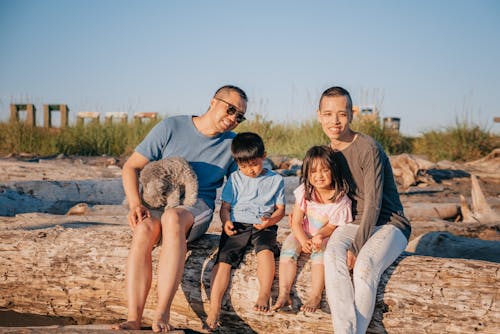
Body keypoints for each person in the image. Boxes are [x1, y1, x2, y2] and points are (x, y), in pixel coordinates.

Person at [112, 85, 248, 332]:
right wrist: (135, 204)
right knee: (143, 230)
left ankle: (162, 313)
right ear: (213, 101)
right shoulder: (171, 127)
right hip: (159, 201)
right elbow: (131, 167)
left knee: (173, 218)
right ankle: (134, 318)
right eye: (230, 110)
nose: (232, 119)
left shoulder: (233, 145)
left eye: (239, 116)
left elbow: (245, 183)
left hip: (196, 206)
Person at [318, 86, 411, 334]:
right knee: (332, 258)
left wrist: (357, 247)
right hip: (351, 221)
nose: (334, 121)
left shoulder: (368, 148)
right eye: (328, 114)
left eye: (341, 113)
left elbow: (374, 202)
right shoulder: (327, 153)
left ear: (351, 114)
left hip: (389, 223)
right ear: (319, 116)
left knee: (364, 267)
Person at [205, 132, 286, 331]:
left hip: (263, 224)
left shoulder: (276, 180)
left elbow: (281, 210)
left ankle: (264, 294)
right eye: (243, 166)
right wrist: (226, 222)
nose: (249, 170)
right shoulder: (234, 179)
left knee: (265, 252)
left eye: (254, 164)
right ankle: (214, 309)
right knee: (223, 261)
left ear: (264, 156)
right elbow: (225, 207)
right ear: (237, 163)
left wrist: (270, 222)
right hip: (238, 223)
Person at [271, 145, 352, 314]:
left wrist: (320, 236)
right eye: (313, 172)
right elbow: (296, 222)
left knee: (320, 255)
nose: (319, 176)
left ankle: (315, 295)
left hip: (324, 236)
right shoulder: (305, 192)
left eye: (324, 170)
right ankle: (284, 293)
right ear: (307, 174)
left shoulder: (340, 200)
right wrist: (302, 240)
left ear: (334, 171)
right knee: (288, 249)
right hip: (304, 231)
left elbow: (332, 226)